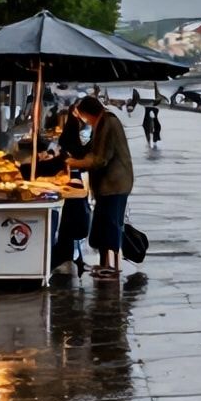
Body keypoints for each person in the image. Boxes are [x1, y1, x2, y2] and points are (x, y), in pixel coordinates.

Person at [65, 96, 134, 280]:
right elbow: (92, 150)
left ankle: (112, 267)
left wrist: (75, 163)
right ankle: (106, 264)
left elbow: (101, 158)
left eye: (83, 116)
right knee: (104, 224)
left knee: (111, 224)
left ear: (89, 113)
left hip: (115, 184)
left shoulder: (107, 123)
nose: (84, 120)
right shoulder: (102, 123)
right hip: (110, 184)